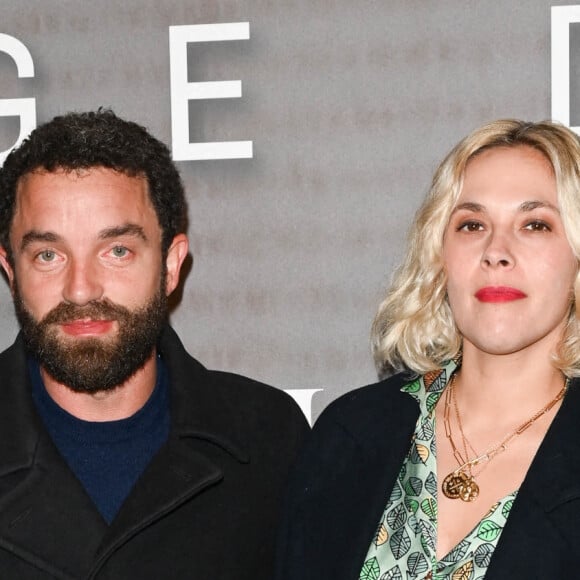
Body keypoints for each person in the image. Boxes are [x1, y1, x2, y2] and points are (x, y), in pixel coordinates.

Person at [0, 109, 309, 579]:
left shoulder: (268, 439)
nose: (81, 290)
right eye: (48, 254)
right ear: (10, 270)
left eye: (117, 251)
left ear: (170, 265)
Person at [275, 119, 580, 579]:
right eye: (472, 224)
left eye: (535, 224)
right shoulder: (351, 433)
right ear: (439, 257)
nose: (496, 251)